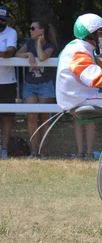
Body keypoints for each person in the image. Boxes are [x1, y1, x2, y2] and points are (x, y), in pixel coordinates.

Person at [15, 20, 57, 158]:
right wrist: (28, 54)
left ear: (41, 30)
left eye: (33, 28)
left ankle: (42, 151)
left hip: (45, 84)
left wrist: (39, 44)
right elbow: (16, 54)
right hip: (30, 85)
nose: (30, 31)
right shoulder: (28, 43)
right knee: (32, 116)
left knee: (44, 118)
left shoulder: (50, 45)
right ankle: (33, 151)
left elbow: (43, 57)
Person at [0, 5, 17, 159]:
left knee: (7, 117)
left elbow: (10, 52)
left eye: (3, 20)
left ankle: (4, 148)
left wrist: (4, 53)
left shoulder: (11, 32)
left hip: (7, 81)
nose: (1, 22)